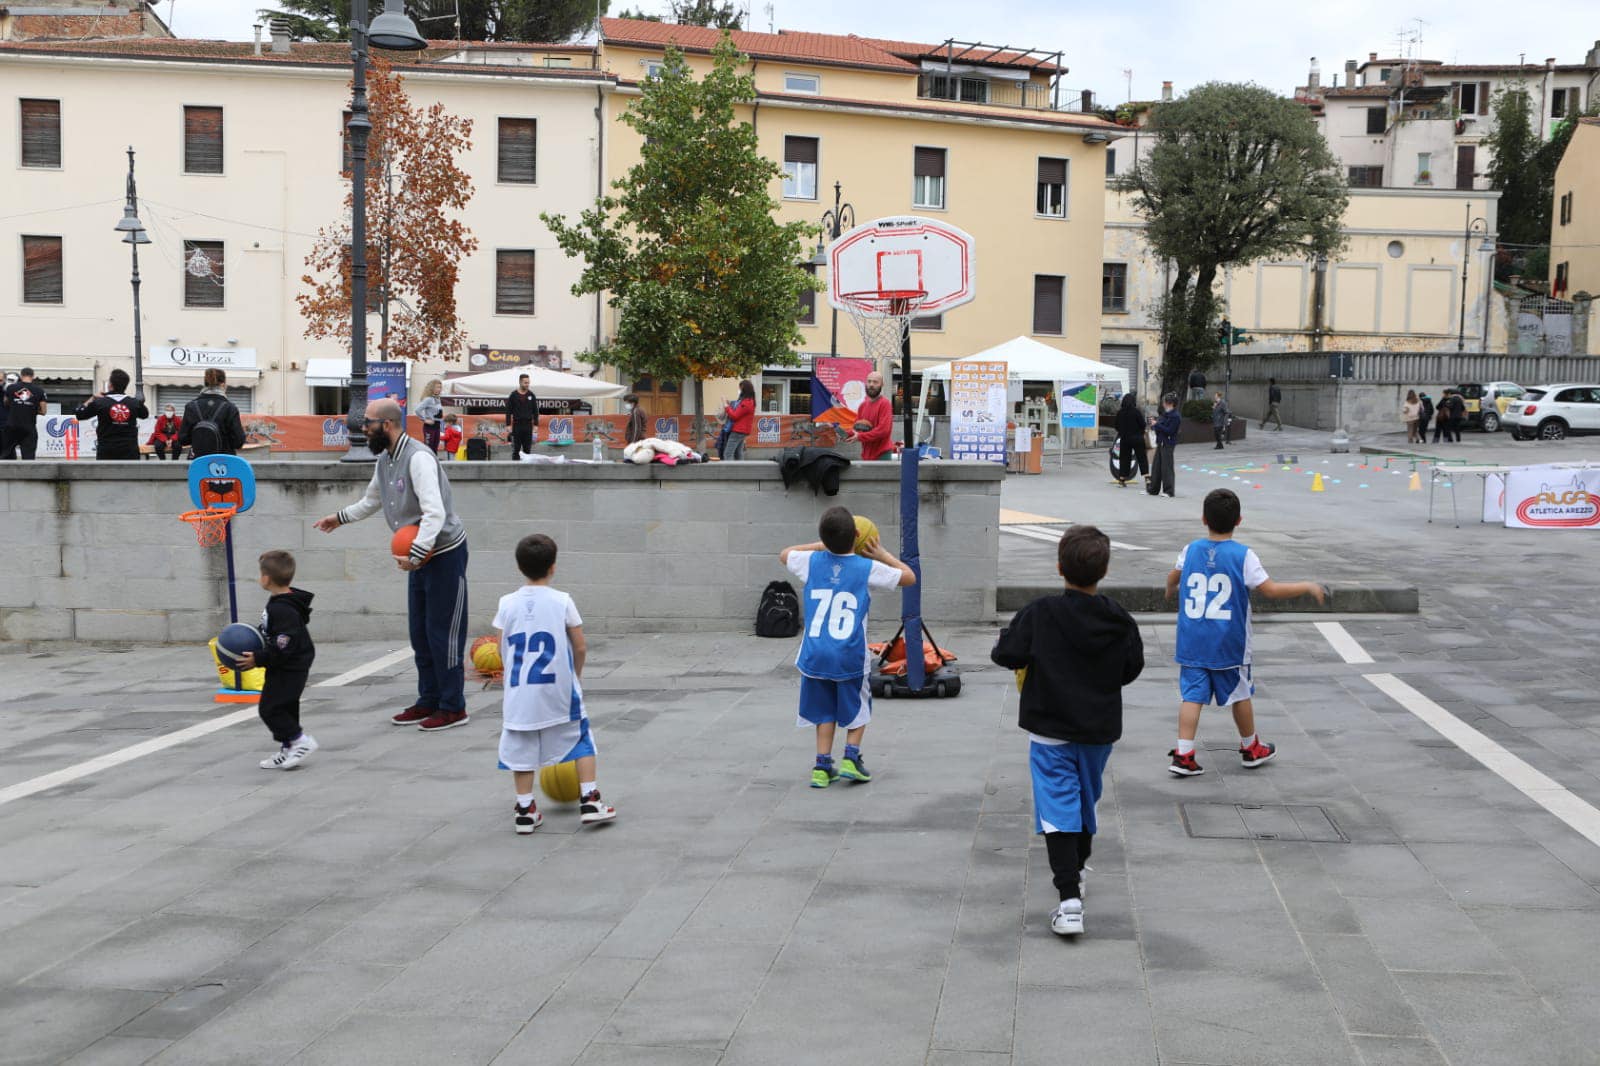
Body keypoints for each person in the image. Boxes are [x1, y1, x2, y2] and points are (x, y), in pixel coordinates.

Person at [990, 525, 1143, 937]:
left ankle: (1069, 900)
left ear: (1059, 567)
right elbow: (1132, 669)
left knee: (1057, 809)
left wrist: (1010, 636)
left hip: (1049, 727)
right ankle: (1077, 870)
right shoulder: (1119, 619)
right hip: (1098, 729)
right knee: (1086, 800)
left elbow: (1006, 654)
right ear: (1105, 570)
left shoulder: (1040, 613)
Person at [313, 398, 471, 732]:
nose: (362, 431)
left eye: (366, 424)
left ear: (386, 425)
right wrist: (339, 518)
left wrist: (417, 553)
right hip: (418, 556)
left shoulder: (419, 459)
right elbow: (371, 500)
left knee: (444, 634)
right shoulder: (385, 459)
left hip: (442, 553)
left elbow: (435, 512)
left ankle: (453, 707)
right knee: (421, 634)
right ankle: (428, 700)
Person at [1165, 489, 1327, 777]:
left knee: (1191, 697)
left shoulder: (1190, 549)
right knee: (1240, 694)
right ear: (1239, 520)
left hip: (1192, 640)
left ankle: (1184, 753)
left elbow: (1174, 575)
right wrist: (1307, 585)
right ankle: (1251, 747)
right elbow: (1271, 590)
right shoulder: (1243, 555)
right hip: (1229, 643)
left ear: (1203, 518)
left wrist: (1170, 590)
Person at [779, 506, 915, 788]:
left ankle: (821, 765)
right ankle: (851, 758)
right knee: (857, 706)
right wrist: (882, 554)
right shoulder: (867, 567)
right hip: (849, 654)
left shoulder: (812, 562)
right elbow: (909, 577)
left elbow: (785, 553)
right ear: (857, 536)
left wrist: (821, 545)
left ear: (823, 538)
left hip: (815, 654)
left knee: (823, 709)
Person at [494, 532, 617, 833]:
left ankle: (524, 810)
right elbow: (580, 645)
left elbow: (501, 647)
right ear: (553, 567)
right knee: (580, 739)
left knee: (521, 748)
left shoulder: (506, 603)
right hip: (558, 689)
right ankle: (589, 799)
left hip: (520, 692)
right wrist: (575, 674)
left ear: (519, 566)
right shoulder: (562, 601)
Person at [238, 550, 318, 771]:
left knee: (270, 708)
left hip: (291, 666)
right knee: (286, 707)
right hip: (285, 663)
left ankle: (300, 741)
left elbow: (285, 644)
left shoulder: (283, 608)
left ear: (265, 579)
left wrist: (259, 658)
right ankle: (288, 748)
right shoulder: (281, 601)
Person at [75, 369, 148, 460]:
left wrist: (92, 398)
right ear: (126, 385)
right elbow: (145, 414)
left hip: (106, 450)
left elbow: (80, 414)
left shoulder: (100, 403)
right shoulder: (134, 403)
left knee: (106, 474)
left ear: (110, 385)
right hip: (129, 450)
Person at [180, 367, 246, 457]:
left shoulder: (191, 406)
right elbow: (238, 442)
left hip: (198, 460)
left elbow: (183, 439)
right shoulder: (230, 408)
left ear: (205, 384)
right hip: (223, 462)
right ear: (223, 385)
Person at [3, 367, 48, 460]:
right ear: (33, 376)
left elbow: (6, 403)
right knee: (28, 458)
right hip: (29, 428)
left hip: (12, 426)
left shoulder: (11, 388)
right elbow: (43, 411)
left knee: (5, 454)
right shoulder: (39, 391)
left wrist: (17, 406)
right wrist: (31, 409)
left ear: (21, 375)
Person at [849, 370, 894, 460]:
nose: (871, 385)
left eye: (875, 382)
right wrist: (842, 433)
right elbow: (856, 429)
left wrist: (859, 436)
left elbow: (883, 431)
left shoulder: (885, 404)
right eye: (869, 381)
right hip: (866, 454)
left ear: (882, 385)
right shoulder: (863, 406)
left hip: (882, 454)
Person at [1113, 393, 1148, 488]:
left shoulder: (1120, 412)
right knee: (1142, 458)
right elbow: (1143, 424)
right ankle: (1147, 478)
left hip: (1125, 439)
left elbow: (1116, 426)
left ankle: (1122, 480)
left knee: (1124, 459)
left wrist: (1122, 432)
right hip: (1137, 438)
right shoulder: (1136, 412)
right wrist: (1140, 432)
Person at [1147, 392, 1179, 498]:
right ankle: (1153, 489)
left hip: (1168, 443)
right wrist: (1154, 424)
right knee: (1156, 467)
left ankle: (1169, 491)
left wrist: (1157, 425)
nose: (1163, 403)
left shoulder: (1175, 416)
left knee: (1167, 467)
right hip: (1160, 442)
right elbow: (1159, 427)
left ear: (1169, 403)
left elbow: (1170, 431)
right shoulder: (1165, 414)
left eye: (1164, 401)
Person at [505, 373, 539, 460]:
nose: (527, 385)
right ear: (520, 382)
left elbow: (535, 411)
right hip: (517, 425)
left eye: (528, 383)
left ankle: (526, 470)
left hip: (528, 425)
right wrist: (508, 424)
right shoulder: (513, 395)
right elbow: (508, 411)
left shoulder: (531, 395)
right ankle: (515, 469)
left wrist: (536, 425)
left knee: (527, 449)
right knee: (516, 449)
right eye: (525, 383)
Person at [723, 380, 756, 460]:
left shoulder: (746, 402)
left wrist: (726, 406)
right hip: (742, 431)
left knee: (728, 454)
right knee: (738, 453)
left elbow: (734, 416)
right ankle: (740, 471)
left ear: (744, 390)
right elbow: (738, 411)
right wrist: (729, 404)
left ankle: (730, 472)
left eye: (740, 389)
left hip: (738, 431)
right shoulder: (749, 401)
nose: (739, 390)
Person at [416, 380, 444, 454]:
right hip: (430, 427)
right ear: (432, 388)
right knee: (429, 449)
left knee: (435, 449)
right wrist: (425, 420)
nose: (439, 389)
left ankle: (434, 464)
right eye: (437, 387)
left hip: (437, 427)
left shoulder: (438, 399)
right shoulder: (428, 399)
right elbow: (417, 410)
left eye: (440, 387)